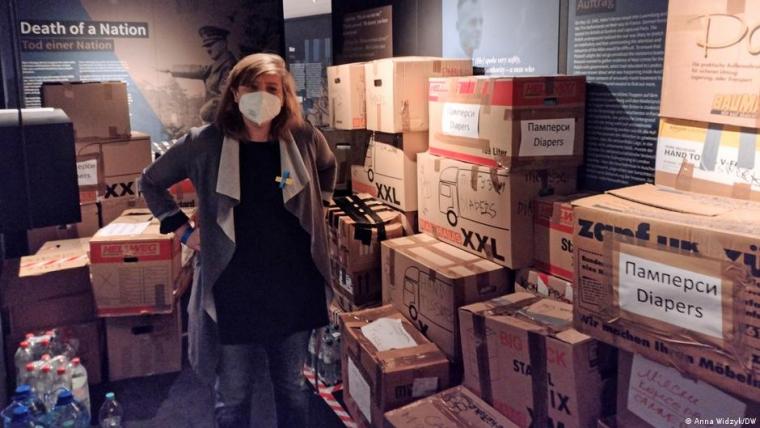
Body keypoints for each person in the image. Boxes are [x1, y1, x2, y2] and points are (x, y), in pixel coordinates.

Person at [139, 53, 336, 428]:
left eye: (272, 88)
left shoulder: (303, 137)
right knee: (233, 394)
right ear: (235, 93)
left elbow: (327, 166)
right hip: (234, 288)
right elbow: (149, 181)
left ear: (284, 95)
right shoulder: (205, 142)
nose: (262, 96)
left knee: (293, 387)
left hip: (293, 285)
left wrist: (320, 206)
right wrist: (184, 232)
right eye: (252, 87)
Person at [158, 25, 238, 123]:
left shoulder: (229, 66)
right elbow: (199, 70)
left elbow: (225, 97)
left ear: (223, 44)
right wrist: (171, 69)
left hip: (223, 121)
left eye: (211, 44)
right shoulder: (217, 65)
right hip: (216, 119)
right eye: (206, 46)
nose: (208, 50)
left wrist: (205, 112)